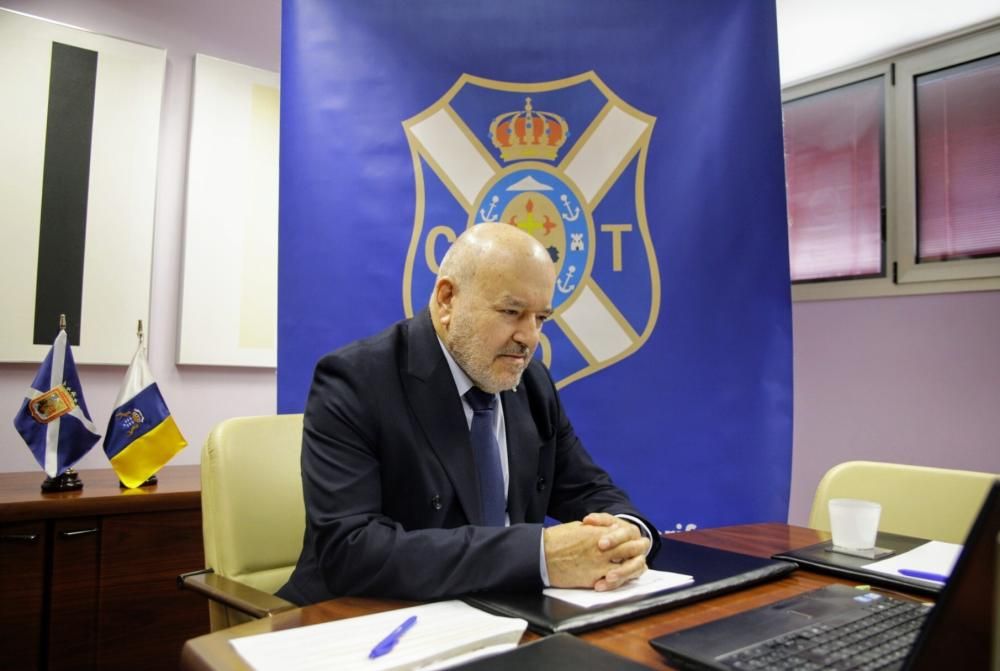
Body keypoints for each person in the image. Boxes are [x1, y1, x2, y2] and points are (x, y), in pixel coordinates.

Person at [277, 223, 660, 605]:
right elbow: (351, 550)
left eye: (541, 318)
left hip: (502, 614)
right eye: (512, 311)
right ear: (447, 300)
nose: (530, 338)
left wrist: (626, 536)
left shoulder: (531, 384)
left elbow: (587, 489)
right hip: (368, 620)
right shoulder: (356, 381)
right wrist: (538, 555)